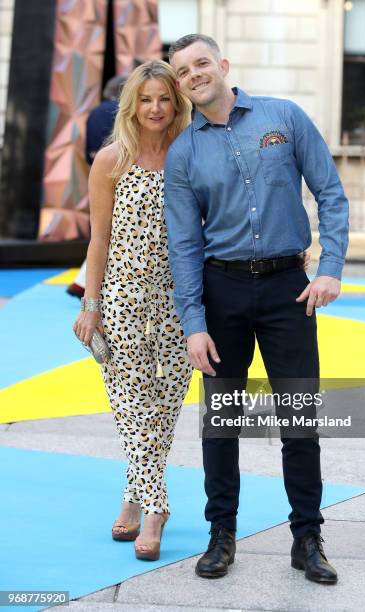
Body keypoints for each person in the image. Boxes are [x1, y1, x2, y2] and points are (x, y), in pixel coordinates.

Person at [164, 34, 349, 584]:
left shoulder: (283, 117)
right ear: (179, 84)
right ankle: (221, 535)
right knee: (221, 423)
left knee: (299, 420)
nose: (194, 74)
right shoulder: (183, 153)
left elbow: (330, 192)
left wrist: (331, 266)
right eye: (182, 71)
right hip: (221, 295)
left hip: (287, 290)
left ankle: (307, 539)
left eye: (201, 63)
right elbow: (184, 246)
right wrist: (194, 325)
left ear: (222, 65)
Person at [72, 60, 192, 560]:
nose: (156, 108)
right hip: (122, 298)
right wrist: (91, 305)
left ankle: (132, 495)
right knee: (131, 403)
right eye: (146, 99)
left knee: (164, 405)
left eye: (164, 98)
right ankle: (157, 508)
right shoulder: (110, 160)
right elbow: (98, 239)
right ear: (131, 104)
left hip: (181, 300)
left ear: (176, 102)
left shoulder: (192, 153)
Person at [68, 75, 126, 299]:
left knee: (99, 231)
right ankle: (84, 284)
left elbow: (86, 151)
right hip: (120, 171)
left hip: (97, 172)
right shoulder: (118, 112)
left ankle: (82, 284)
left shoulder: (93, 114)